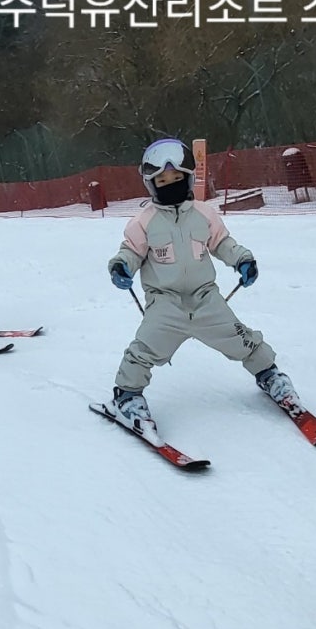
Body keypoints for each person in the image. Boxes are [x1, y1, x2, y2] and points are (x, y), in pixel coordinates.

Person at [106, 137, 301, 433]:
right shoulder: (144, 221)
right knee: (143, 349)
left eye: (176, 178)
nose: (170, 184)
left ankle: (270, 375)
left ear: (187, 177)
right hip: (165, 303)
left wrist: (242, 260)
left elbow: (222, 242)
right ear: (151, 184)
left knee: (244, 339)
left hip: (205, 299)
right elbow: (131, 250)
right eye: (162, 180)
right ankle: (127, 395)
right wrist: (121, 266)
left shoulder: (203, 213)